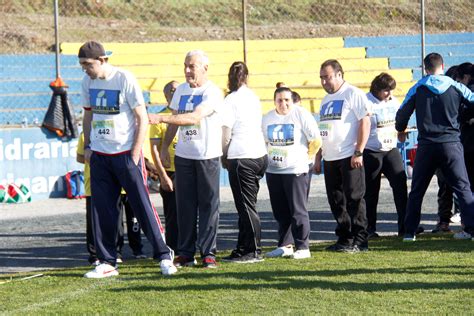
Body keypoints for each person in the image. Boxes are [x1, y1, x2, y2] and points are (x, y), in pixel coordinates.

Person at [79, 41, 176, 278]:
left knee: (142, 206)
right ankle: (107, 261)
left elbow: (141, 117)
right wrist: (89, 145)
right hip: (100, 156)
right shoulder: (86, 82)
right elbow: (88, 116)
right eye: (81, 65)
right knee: (103, 210)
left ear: (102, 60)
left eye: (88, 64)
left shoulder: (124, 79)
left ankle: (164, 255)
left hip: (125, 154)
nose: (85, 69)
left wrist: (135, 152)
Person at [148, 50, 224, 268]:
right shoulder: (180, 90)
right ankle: (185, 252)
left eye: (192, 66)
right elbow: (174, 121)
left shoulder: (213, 92)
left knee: (208, 205)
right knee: (184, 205)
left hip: (206, 155)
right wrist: (164, 147)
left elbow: (193, 117)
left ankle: (208, 253)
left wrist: (160, 116)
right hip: (183, 155)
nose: (188, 71)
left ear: (205, 68)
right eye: (185, 66)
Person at [395, 53, 474, 242]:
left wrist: (400, 129)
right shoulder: (455, 86)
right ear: (443, 65)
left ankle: (409, 232)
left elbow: (402, 112)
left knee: (417, 190)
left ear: (425, 68)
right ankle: (471, 229)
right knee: (463, 188)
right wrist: (462, 117)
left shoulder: (419, 87)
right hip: (451, 144)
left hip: (427, 145)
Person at [314, 59, 371, 252]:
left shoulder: (352, 93)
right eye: (321, 78)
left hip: (350, 155)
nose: (323, 82)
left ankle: (361, 240)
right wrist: (318, 156)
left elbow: (365, 121)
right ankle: (345, 238)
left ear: (339, 74)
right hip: (330, 157)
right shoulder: (325, 100)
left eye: (327, 77)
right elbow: (325, 129)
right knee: (336, 200)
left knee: (354, 198)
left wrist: (359, 151)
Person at [263, 87, 321, 259]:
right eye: (279, 100)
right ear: (274, 101)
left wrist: (307, 159)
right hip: (274, 171)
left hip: (296, 171)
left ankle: (303, 246)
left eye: (287, 100)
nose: (283, 104)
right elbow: (263, 141)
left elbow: (316, 140)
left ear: (292, 100)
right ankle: (285, 245)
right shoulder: (267, 118)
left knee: (298, 210)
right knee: (280, 211)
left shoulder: (301, 114)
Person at [220, 62, 268, 263]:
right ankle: (243, 246)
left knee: (246, 206)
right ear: (247, 76)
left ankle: (253, 249)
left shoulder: (231, 99)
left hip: (242, 156)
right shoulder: (253, 97)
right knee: (248, 204)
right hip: (259, 154)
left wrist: (224, 154)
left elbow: (226, 131)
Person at [363, 73, 407, 237]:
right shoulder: (366, 101)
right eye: (386, 90)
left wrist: (402, 130)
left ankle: (405, 227)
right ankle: (369, 229)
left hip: (390, 149)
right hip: (371, 150)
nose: (389, 94)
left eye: (391, 90)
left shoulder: (393, 101)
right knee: (371, 192)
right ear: (377, 88)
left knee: (401, 186)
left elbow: (399, 119)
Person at [150, 80, 180, 252]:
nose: (175, 92)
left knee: (188, 213)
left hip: (187, 170)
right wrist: (163, 176)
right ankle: (172, 249)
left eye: (178, 89)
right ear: (166, 94)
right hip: (170, 172)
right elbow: (154, 149)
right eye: (172, 89)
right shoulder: (159, 118)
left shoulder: (185, 114)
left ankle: (187, 248)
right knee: (172, 214)